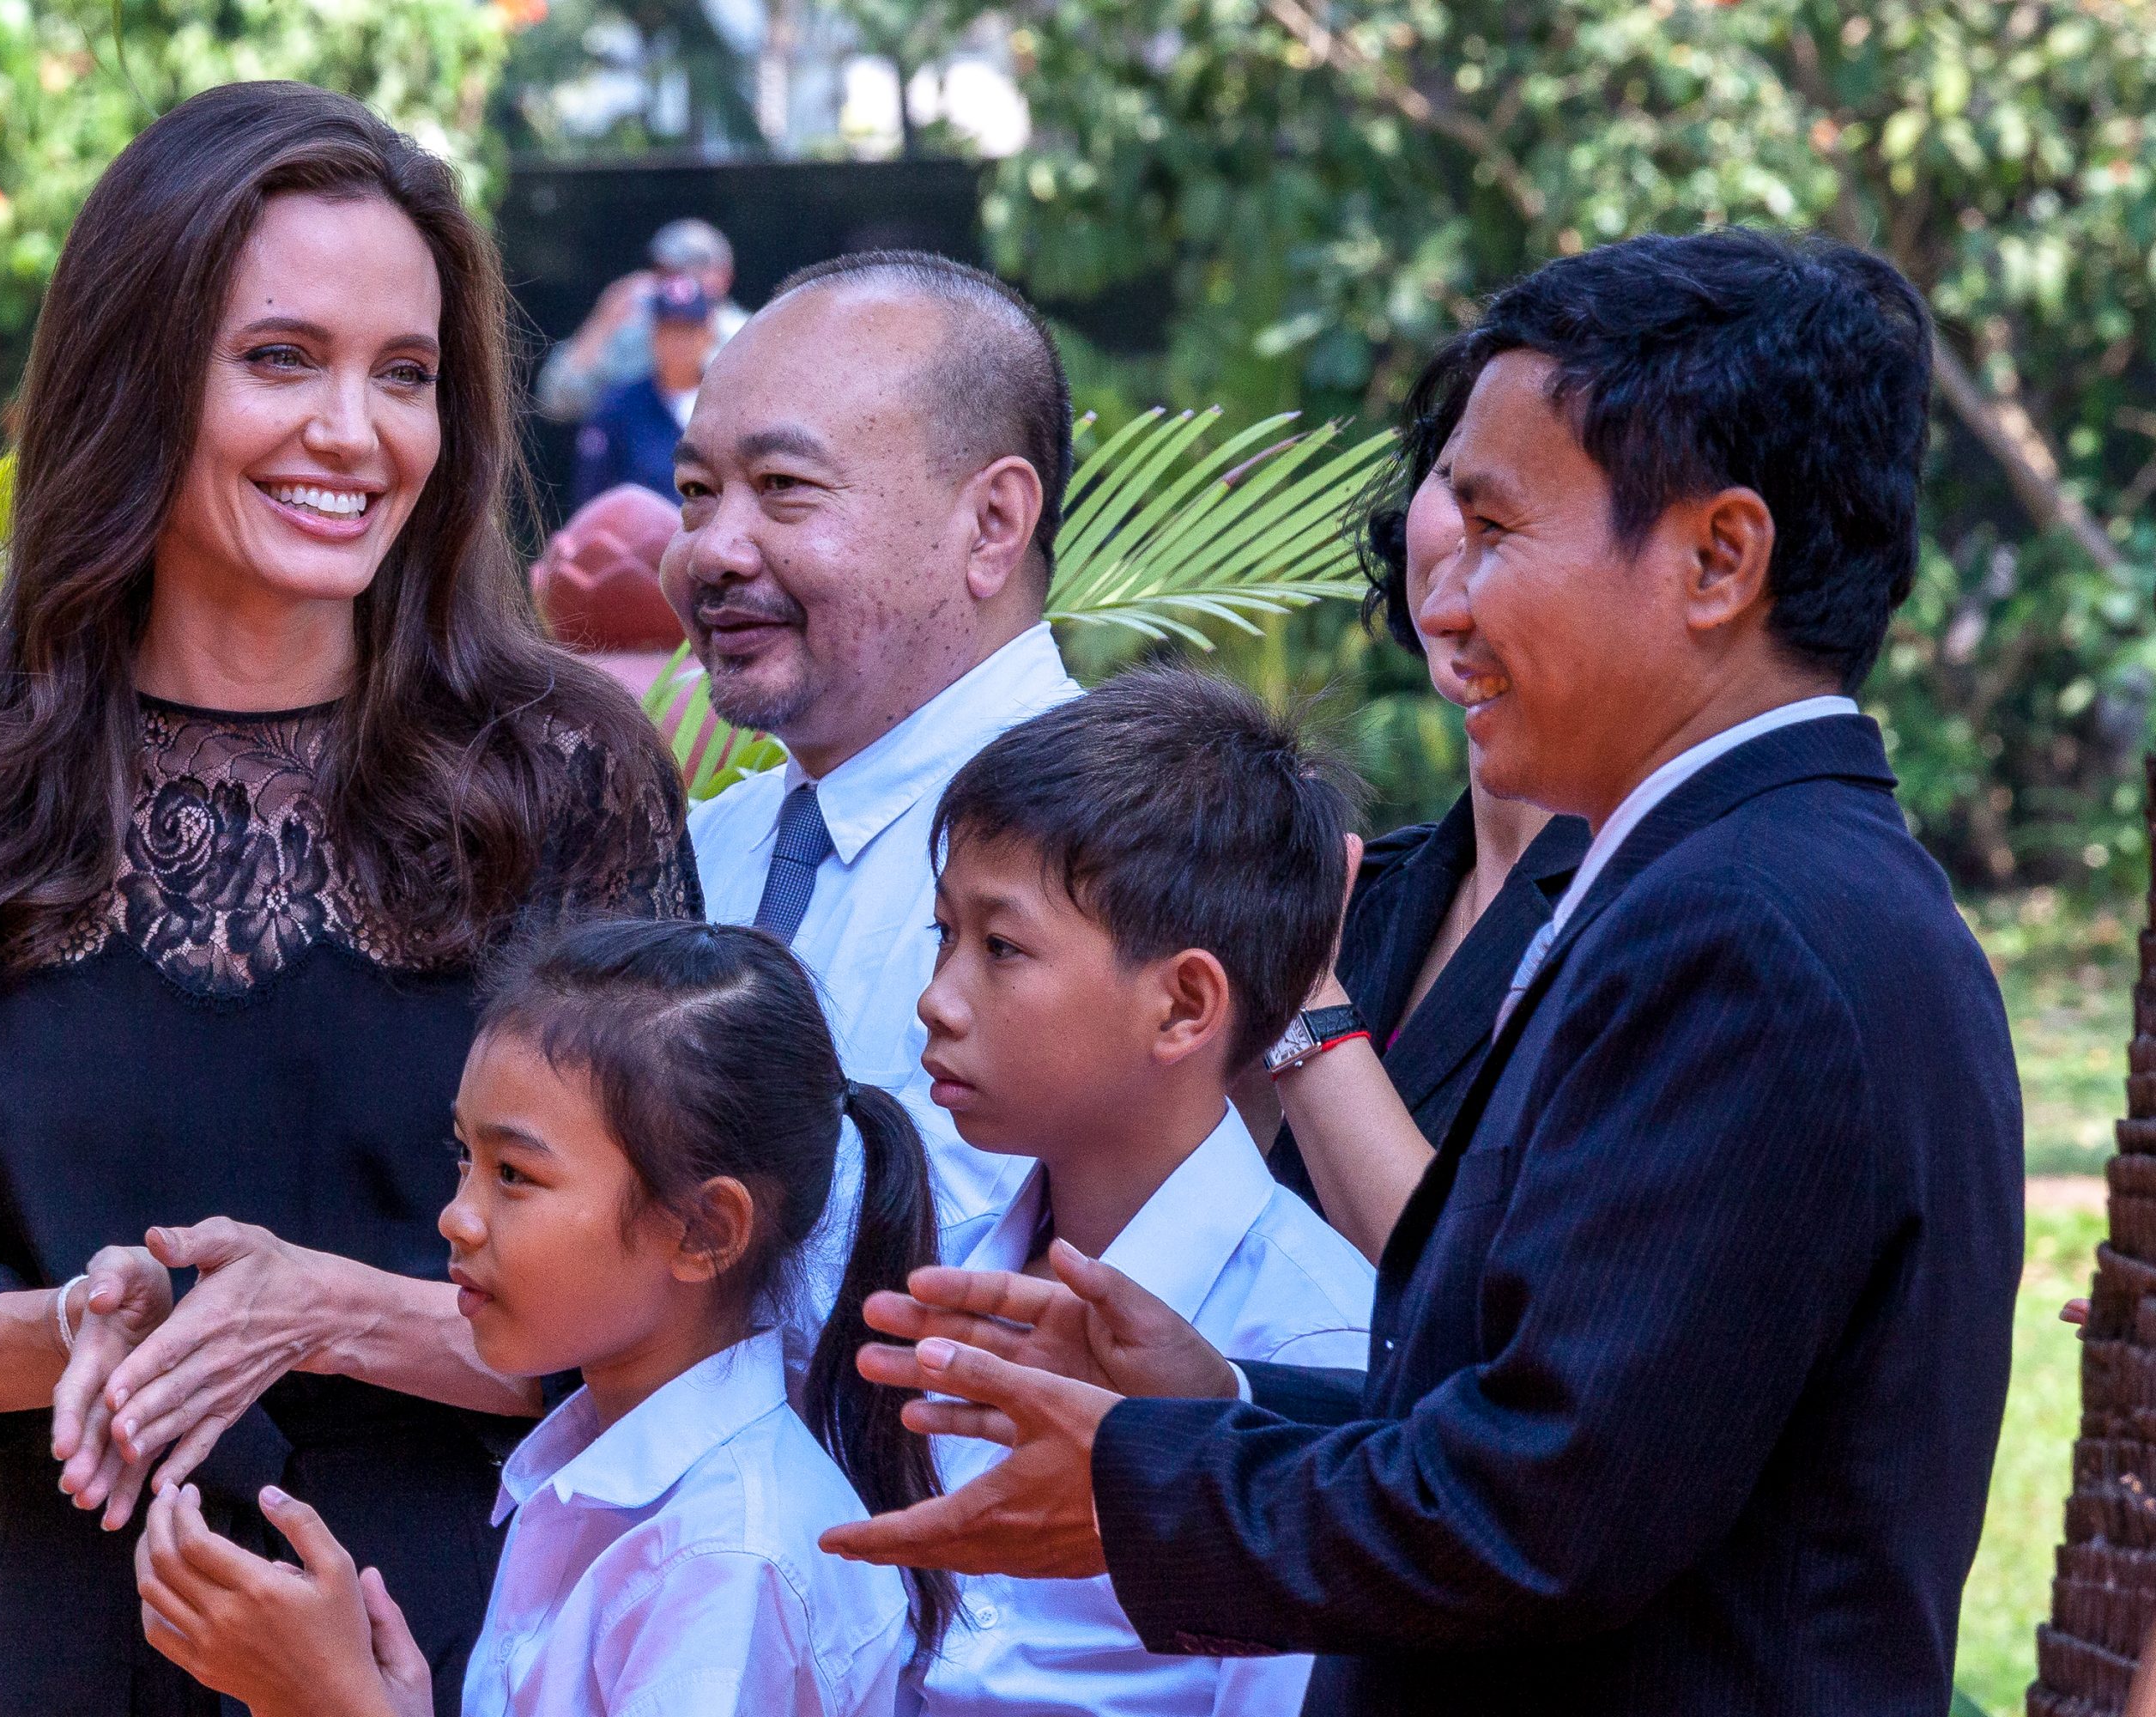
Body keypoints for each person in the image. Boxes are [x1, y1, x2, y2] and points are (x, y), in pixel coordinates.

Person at [822, 229, 2026, 1717]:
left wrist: (1140, 1485)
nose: (1443, 610)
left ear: (1719, 560)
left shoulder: (1749, 935)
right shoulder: (1742, 886)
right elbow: (1573, 1424)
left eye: (1497, 531)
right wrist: (1219, 1403)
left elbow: (1544, 1518)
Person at [0, 82, 697, 1717]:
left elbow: (681, 1311)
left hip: (452, 1657)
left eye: (403, 375)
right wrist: (83, 1331)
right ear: (136, 373)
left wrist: (323, 1316)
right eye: (282, 358)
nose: (356, 431)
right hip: (71, 1658)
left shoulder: (565, 771)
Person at [130, 919, 941, 1717]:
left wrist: (329, 1704)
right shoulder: (599, 1474)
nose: (457, 1217)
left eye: (514, 1174)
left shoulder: (727, 1562)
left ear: (703, 1231)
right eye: (465, 1157)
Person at [909, 667, 1373, 1716]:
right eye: (943, 935)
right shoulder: (950, 1261)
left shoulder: (1306, 1345)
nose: (937, 999)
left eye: (1000, 947)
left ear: (1183, 1005)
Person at [665, 248, 1082, 1264]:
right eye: (696, 490)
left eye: (783, 486)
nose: (713, 549)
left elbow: (909, 1281)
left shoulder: (1106, 854)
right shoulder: (700, 845)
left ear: (992, 524)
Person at [1253, 369, 1591, 1260]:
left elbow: (1472, 1289)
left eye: (1517, 501)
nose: (1470, 533)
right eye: (1454, 479)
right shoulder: (1369, 887)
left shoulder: (1660, 911)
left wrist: (1302, 1007)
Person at [535, 217, 748, 425]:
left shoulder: (746, 335)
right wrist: (601, 322)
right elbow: (556, 402)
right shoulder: (634, 335)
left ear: (723, 277)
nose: (677, 284)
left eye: (689, 271)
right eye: (665, 273)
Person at [570, 274, 713, 506]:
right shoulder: (618, 406)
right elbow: (592, 498)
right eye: (670, 330)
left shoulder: (727, 403)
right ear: (654, 334)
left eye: (689, 331)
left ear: (708, 334)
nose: (679, 343)